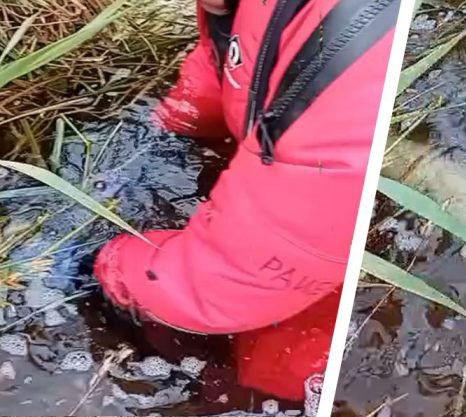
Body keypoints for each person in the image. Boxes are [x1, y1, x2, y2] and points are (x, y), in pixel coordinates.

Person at [92, 0, 399, 404]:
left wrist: (104, 266)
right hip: (316, 191)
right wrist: (179, 120)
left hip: (335, 242)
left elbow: (220, 281)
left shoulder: (360, 46)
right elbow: (241, 49)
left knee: (290, 368)